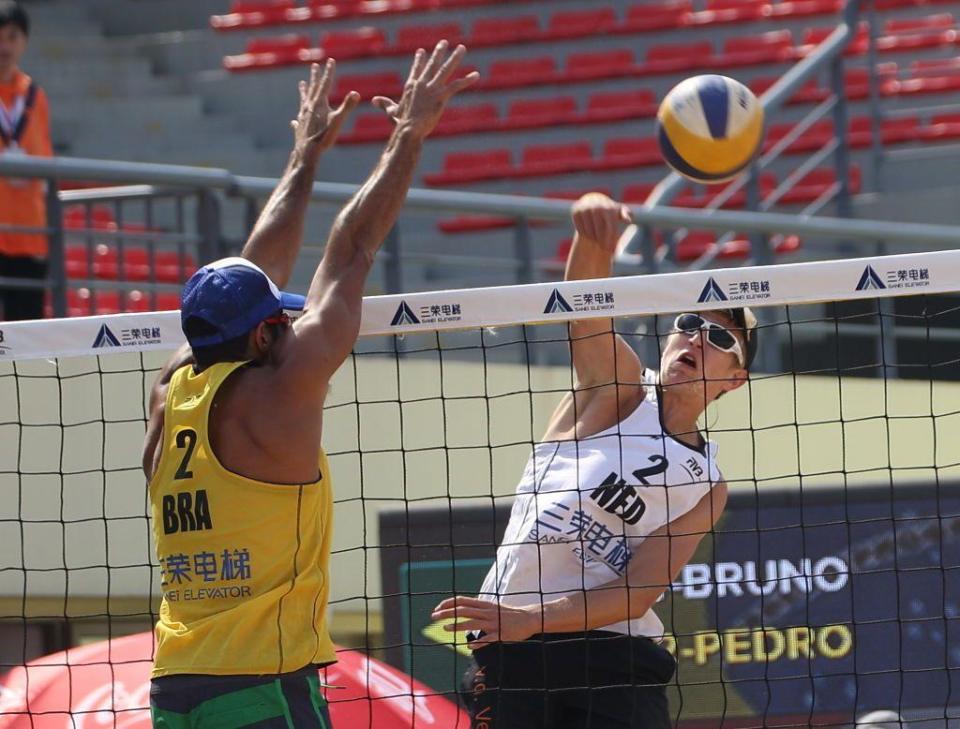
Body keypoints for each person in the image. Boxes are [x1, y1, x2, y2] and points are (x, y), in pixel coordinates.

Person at [142, 43, 477, 728]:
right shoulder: (281, 391)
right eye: (280, 319)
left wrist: (304, 158)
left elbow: (248, 268)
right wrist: (410, 132)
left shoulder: (169, 388)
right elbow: (351, 246)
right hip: (259, 685)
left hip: (173, 685)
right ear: (264, 335)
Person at [432, 192, 758, 729]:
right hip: (515, 648)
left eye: (720, 336)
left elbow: (638, 592)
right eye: (688, 321)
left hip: (613, 655)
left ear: (733, 379)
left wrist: (532, 619)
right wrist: (592, 235)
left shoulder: (707, 485)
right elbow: (585, 312)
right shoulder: (619, 388)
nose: (697, 336)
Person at [0, 0, 53, 321]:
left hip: (28, 235)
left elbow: (45, 157)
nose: (4, 46)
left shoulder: (35, 96)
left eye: (12, 36)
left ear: (24, 41)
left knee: (27, 337)